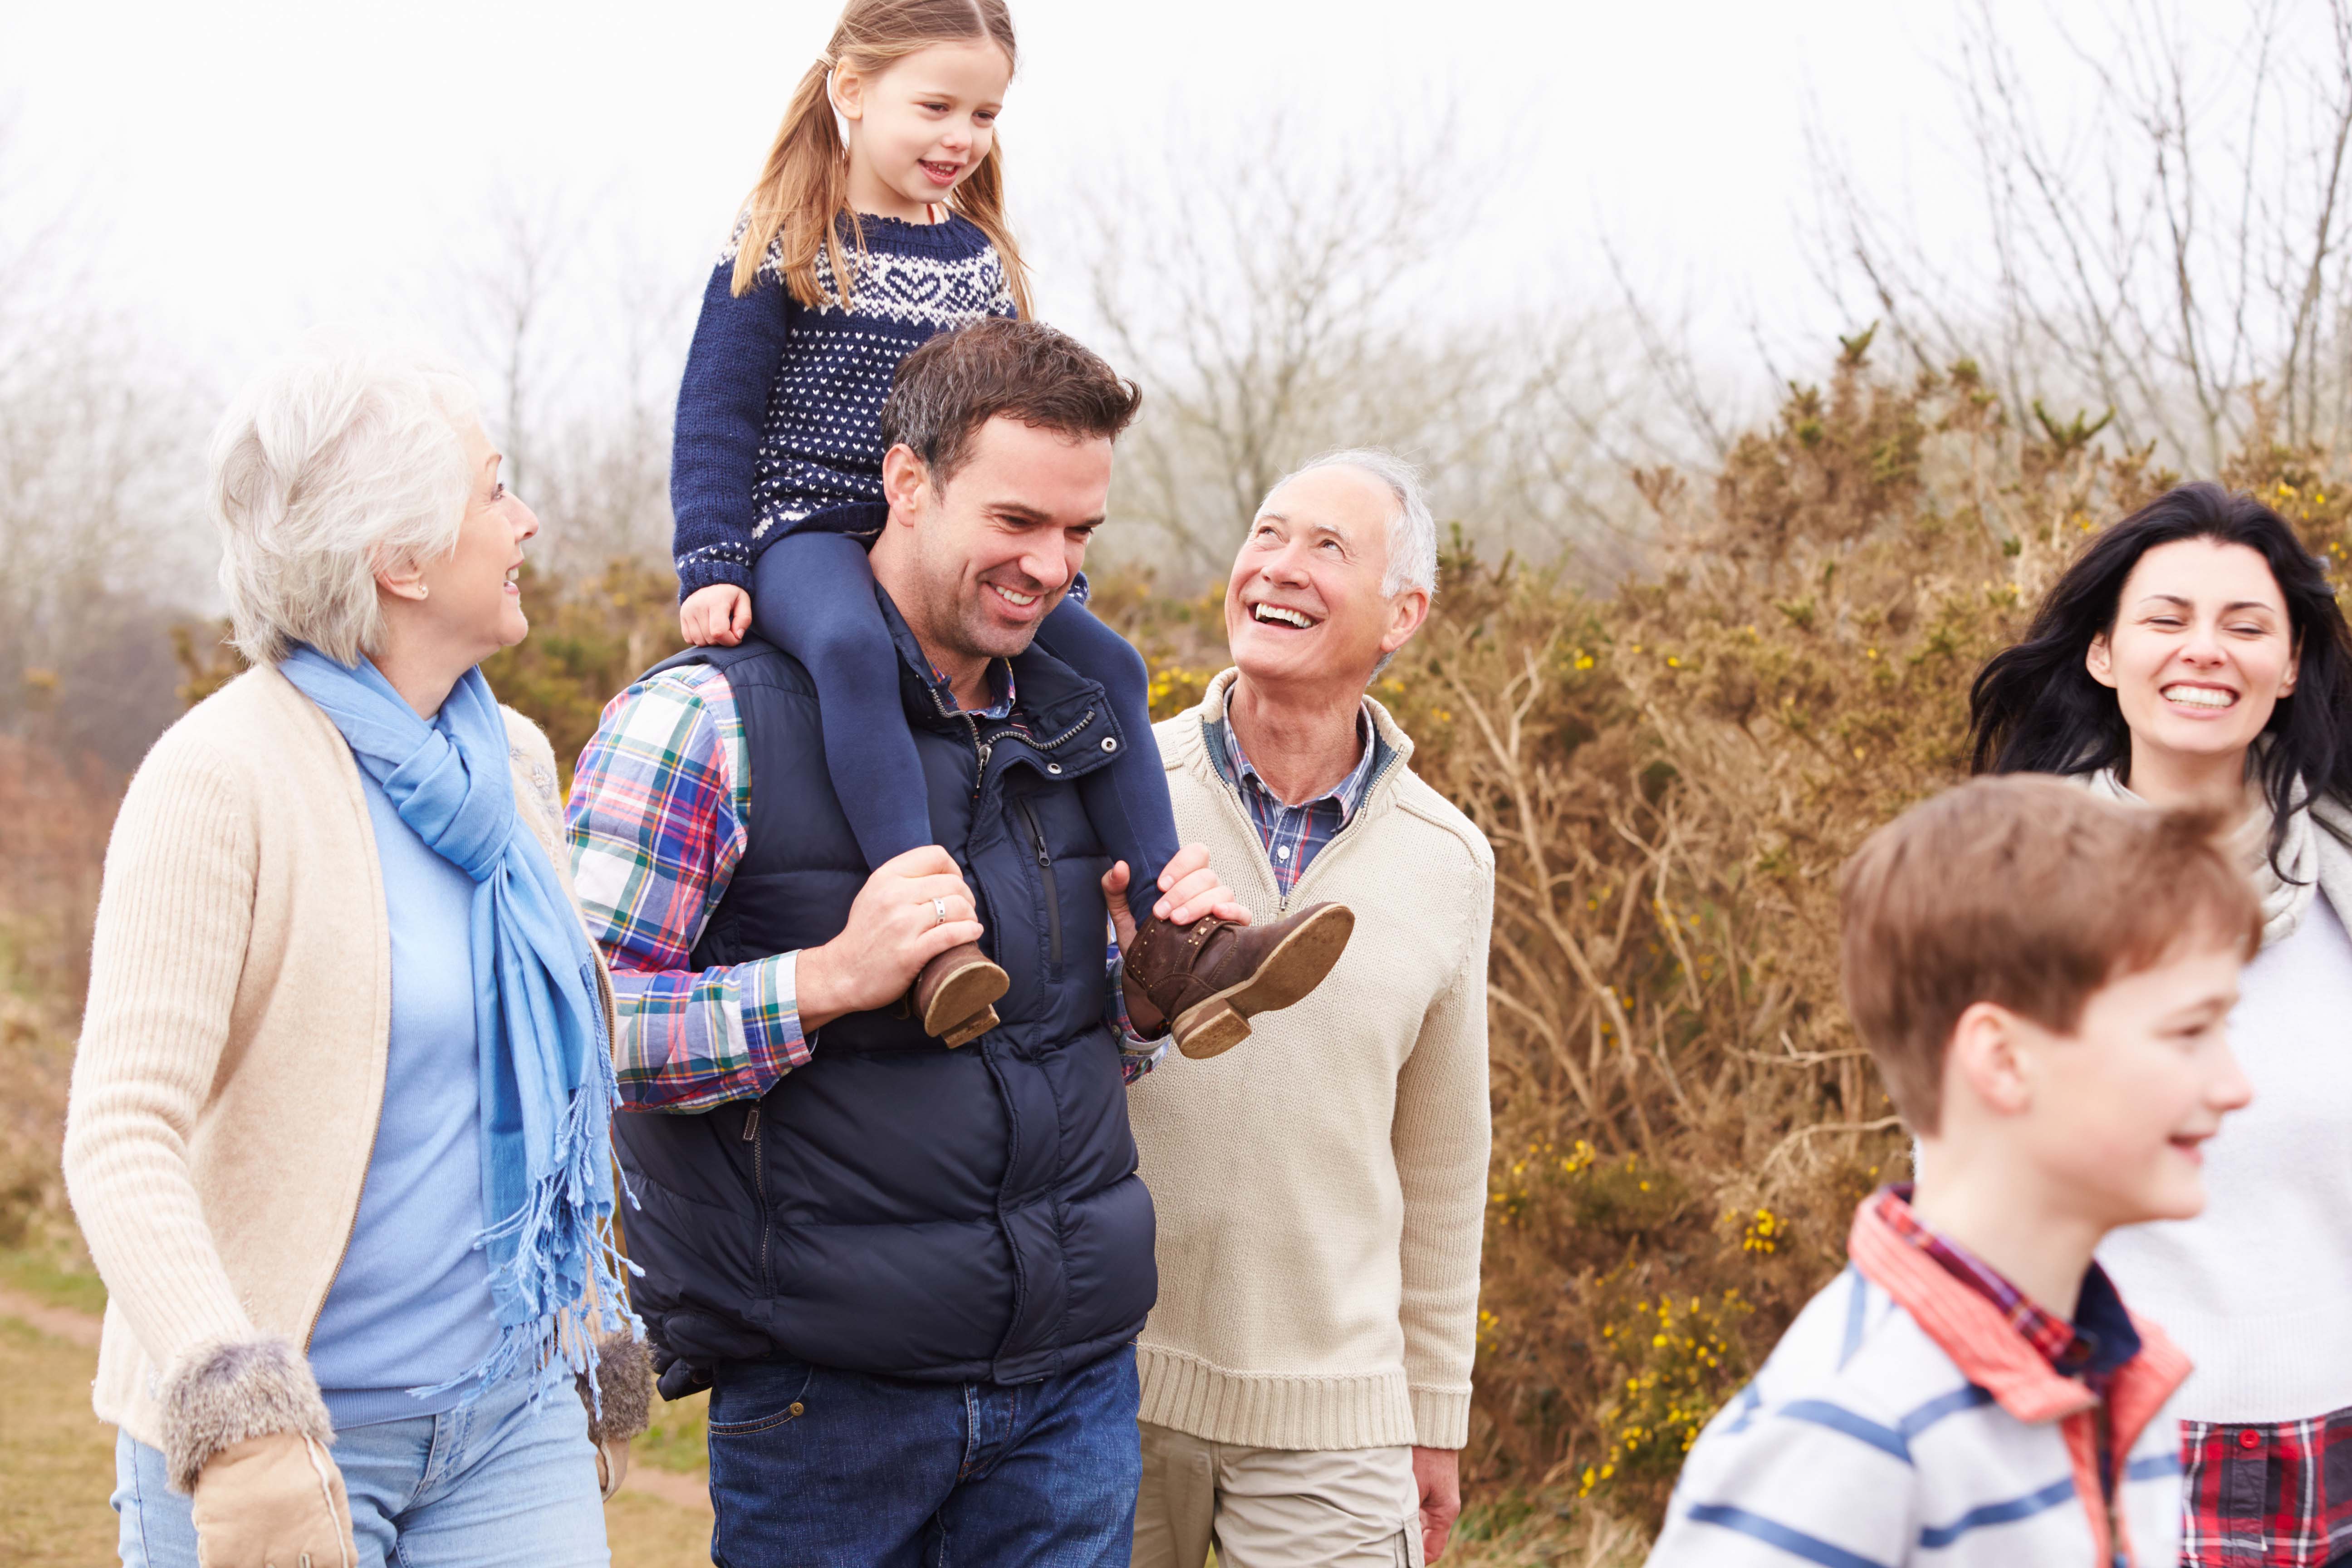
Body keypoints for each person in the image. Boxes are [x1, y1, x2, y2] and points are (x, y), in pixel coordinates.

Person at [569, 318, 1323, 1564]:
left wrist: (1137, 1003)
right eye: (1016, 522)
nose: (1051, 568)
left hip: (1072, 1397)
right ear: (906, 484)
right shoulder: (703, 721)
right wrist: (826, 982)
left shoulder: (1079, 727)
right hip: (826, 1406)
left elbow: (1061, 1049)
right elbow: (574, 1040)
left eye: (1079, 534)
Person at [664, 0, 1347, 1053]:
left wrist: (1047, 561)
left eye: (984, 116)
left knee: (1112, 665)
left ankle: (1177, 941)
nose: (961, 138)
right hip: (812, 526)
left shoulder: (978, 256)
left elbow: (1023, 417)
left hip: (956, 537)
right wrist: (711, 559)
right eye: (937, 107)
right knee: (851, 648)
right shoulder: (785, 235)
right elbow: (717, 412)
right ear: (853, 89)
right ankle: (934, 935)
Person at [63, 345, 650, 1568]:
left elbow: (549, 1075)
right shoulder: (219, 776)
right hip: (284, 1450)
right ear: (402, 560)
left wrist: (591, 1330)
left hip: (510, 1423)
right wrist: (237, 1414)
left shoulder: (512, 765)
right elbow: (120, 1134)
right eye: (495, 489)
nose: (526, 522)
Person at [1646, 775, 2258, 1567]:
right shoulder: (1845, 1429)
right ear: (2002, 1061)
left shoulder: (2123, 1374)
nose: (2235, 1086)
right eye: (2188, 1033)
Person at [1970, 480, 2352, 1568]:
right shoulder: (2012, 887)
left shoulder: (2342, 882)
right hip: (2112, 1448)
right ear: (2104, 653)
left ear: (2290, 666)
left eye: (2247, 626)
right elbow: (1965, 1197)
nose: (2206, 651)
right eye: (2168, 618)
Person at [1125, 451, 1493, 1568]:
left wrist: (1436, 1413)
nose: (1280, 568)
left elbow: (1443, 1159)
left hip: (1335, 1423)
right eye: (1269, 535)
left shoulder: (1450, 859)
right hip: (1100, 1380)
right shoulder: (1121, 783)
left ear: (1403, 614)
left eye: (1329, 548)